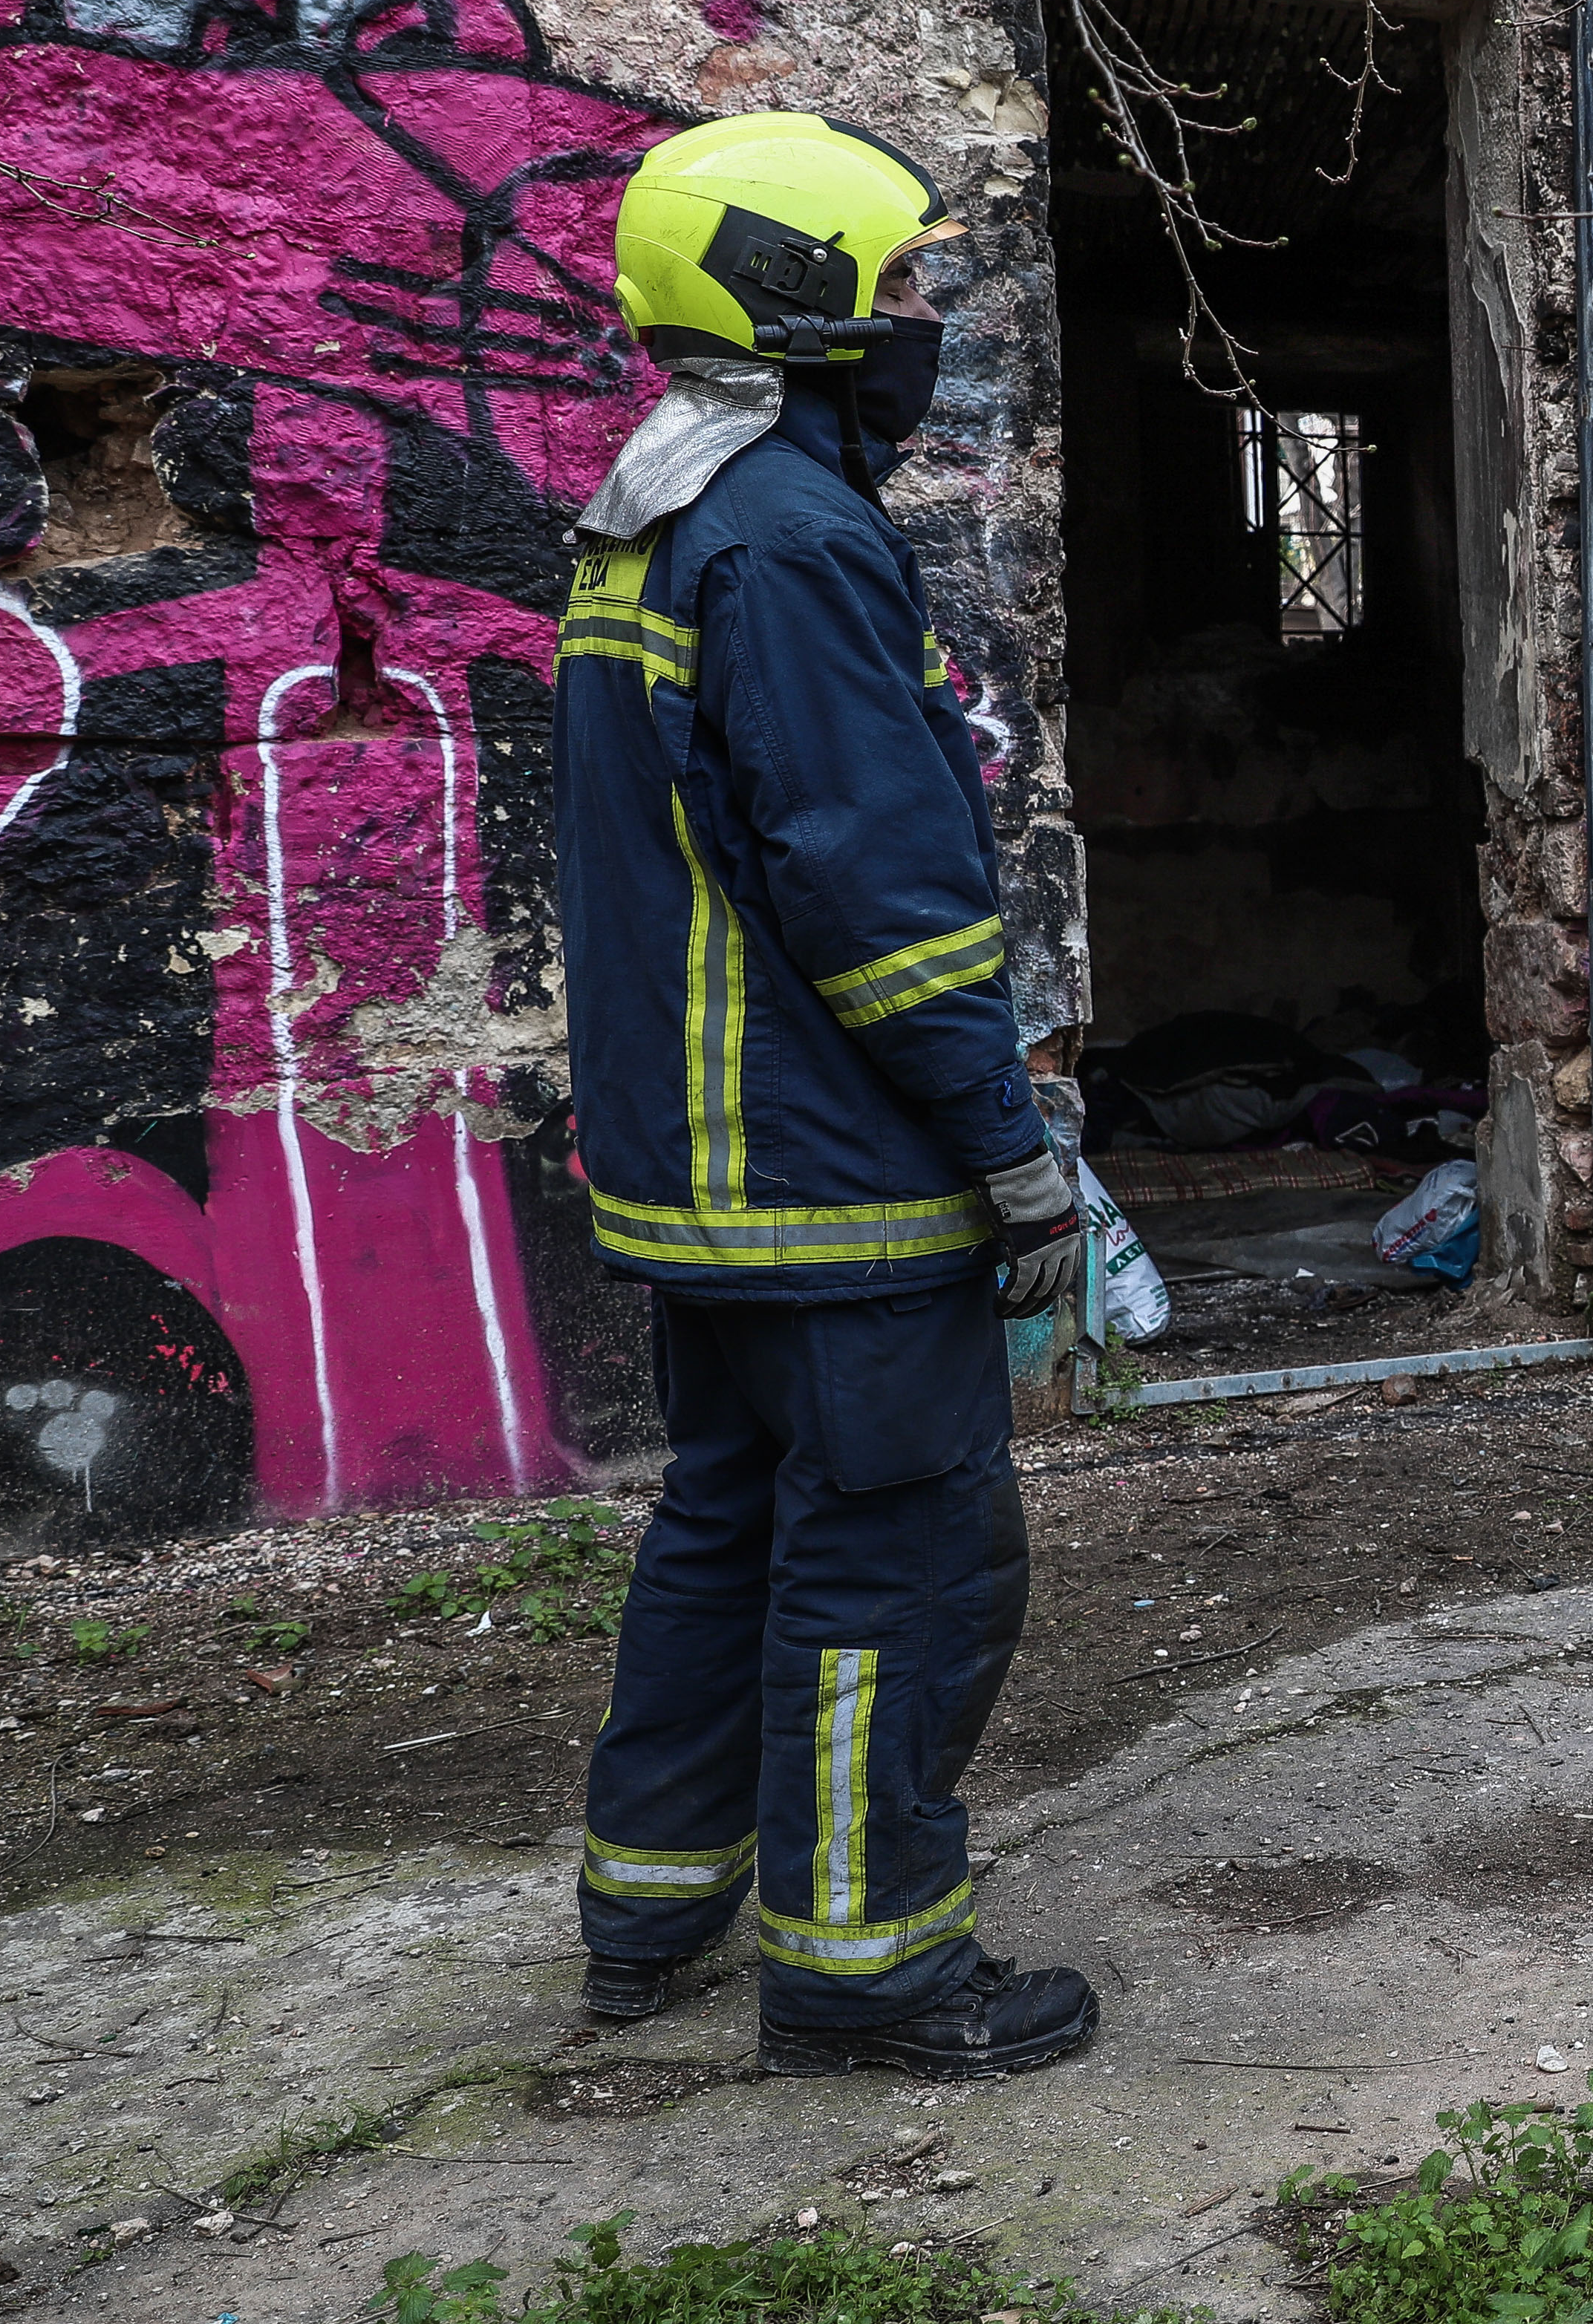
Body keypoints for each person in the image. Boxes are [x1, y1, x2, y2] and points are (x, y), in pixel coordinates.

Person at [553, 112, 1101, 2073]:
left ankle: (651, 1906)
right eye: (887, 284)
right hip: (831, 1169)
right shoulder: (788, 536)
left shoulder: (658, 509)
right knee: (903, 1552)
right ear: (791, 307)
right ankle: (868, 1971)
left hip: (703, 1161)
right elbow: (881, 895)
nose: (920, 314)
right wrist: (1006, 1150)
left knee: (727, 1520)